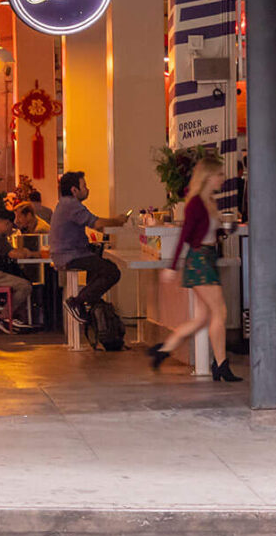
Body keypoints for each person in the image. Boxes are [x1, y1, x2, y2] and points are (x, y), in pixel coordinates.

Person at [149, 155, 241, 382]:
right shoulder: (196, 204)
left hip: (207, 257)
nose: (222, 178)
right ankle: (221, 365)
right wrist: (172, 267)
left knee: (202, 318)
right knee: (220, 312)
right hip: (199, 261)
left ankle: (163, 350)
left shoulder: (209, 201)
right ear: (208, 176)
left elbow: (206, 233)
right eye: (219, 174)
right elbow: (186, 236)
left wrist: (224, 231)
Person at [49, 169, 130, 326]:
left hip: (70, 253)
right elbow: (97, 223)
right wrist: (118, 220)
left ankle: (88, 303)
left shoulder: (65, 204)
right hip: (70, 255)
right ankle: (77, 302)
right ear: (74, 190)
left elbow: (94, 224)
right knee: (111, 271)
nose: (87, 189)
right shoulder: (72, 205)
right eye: (84, 186)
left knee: (100, 267)